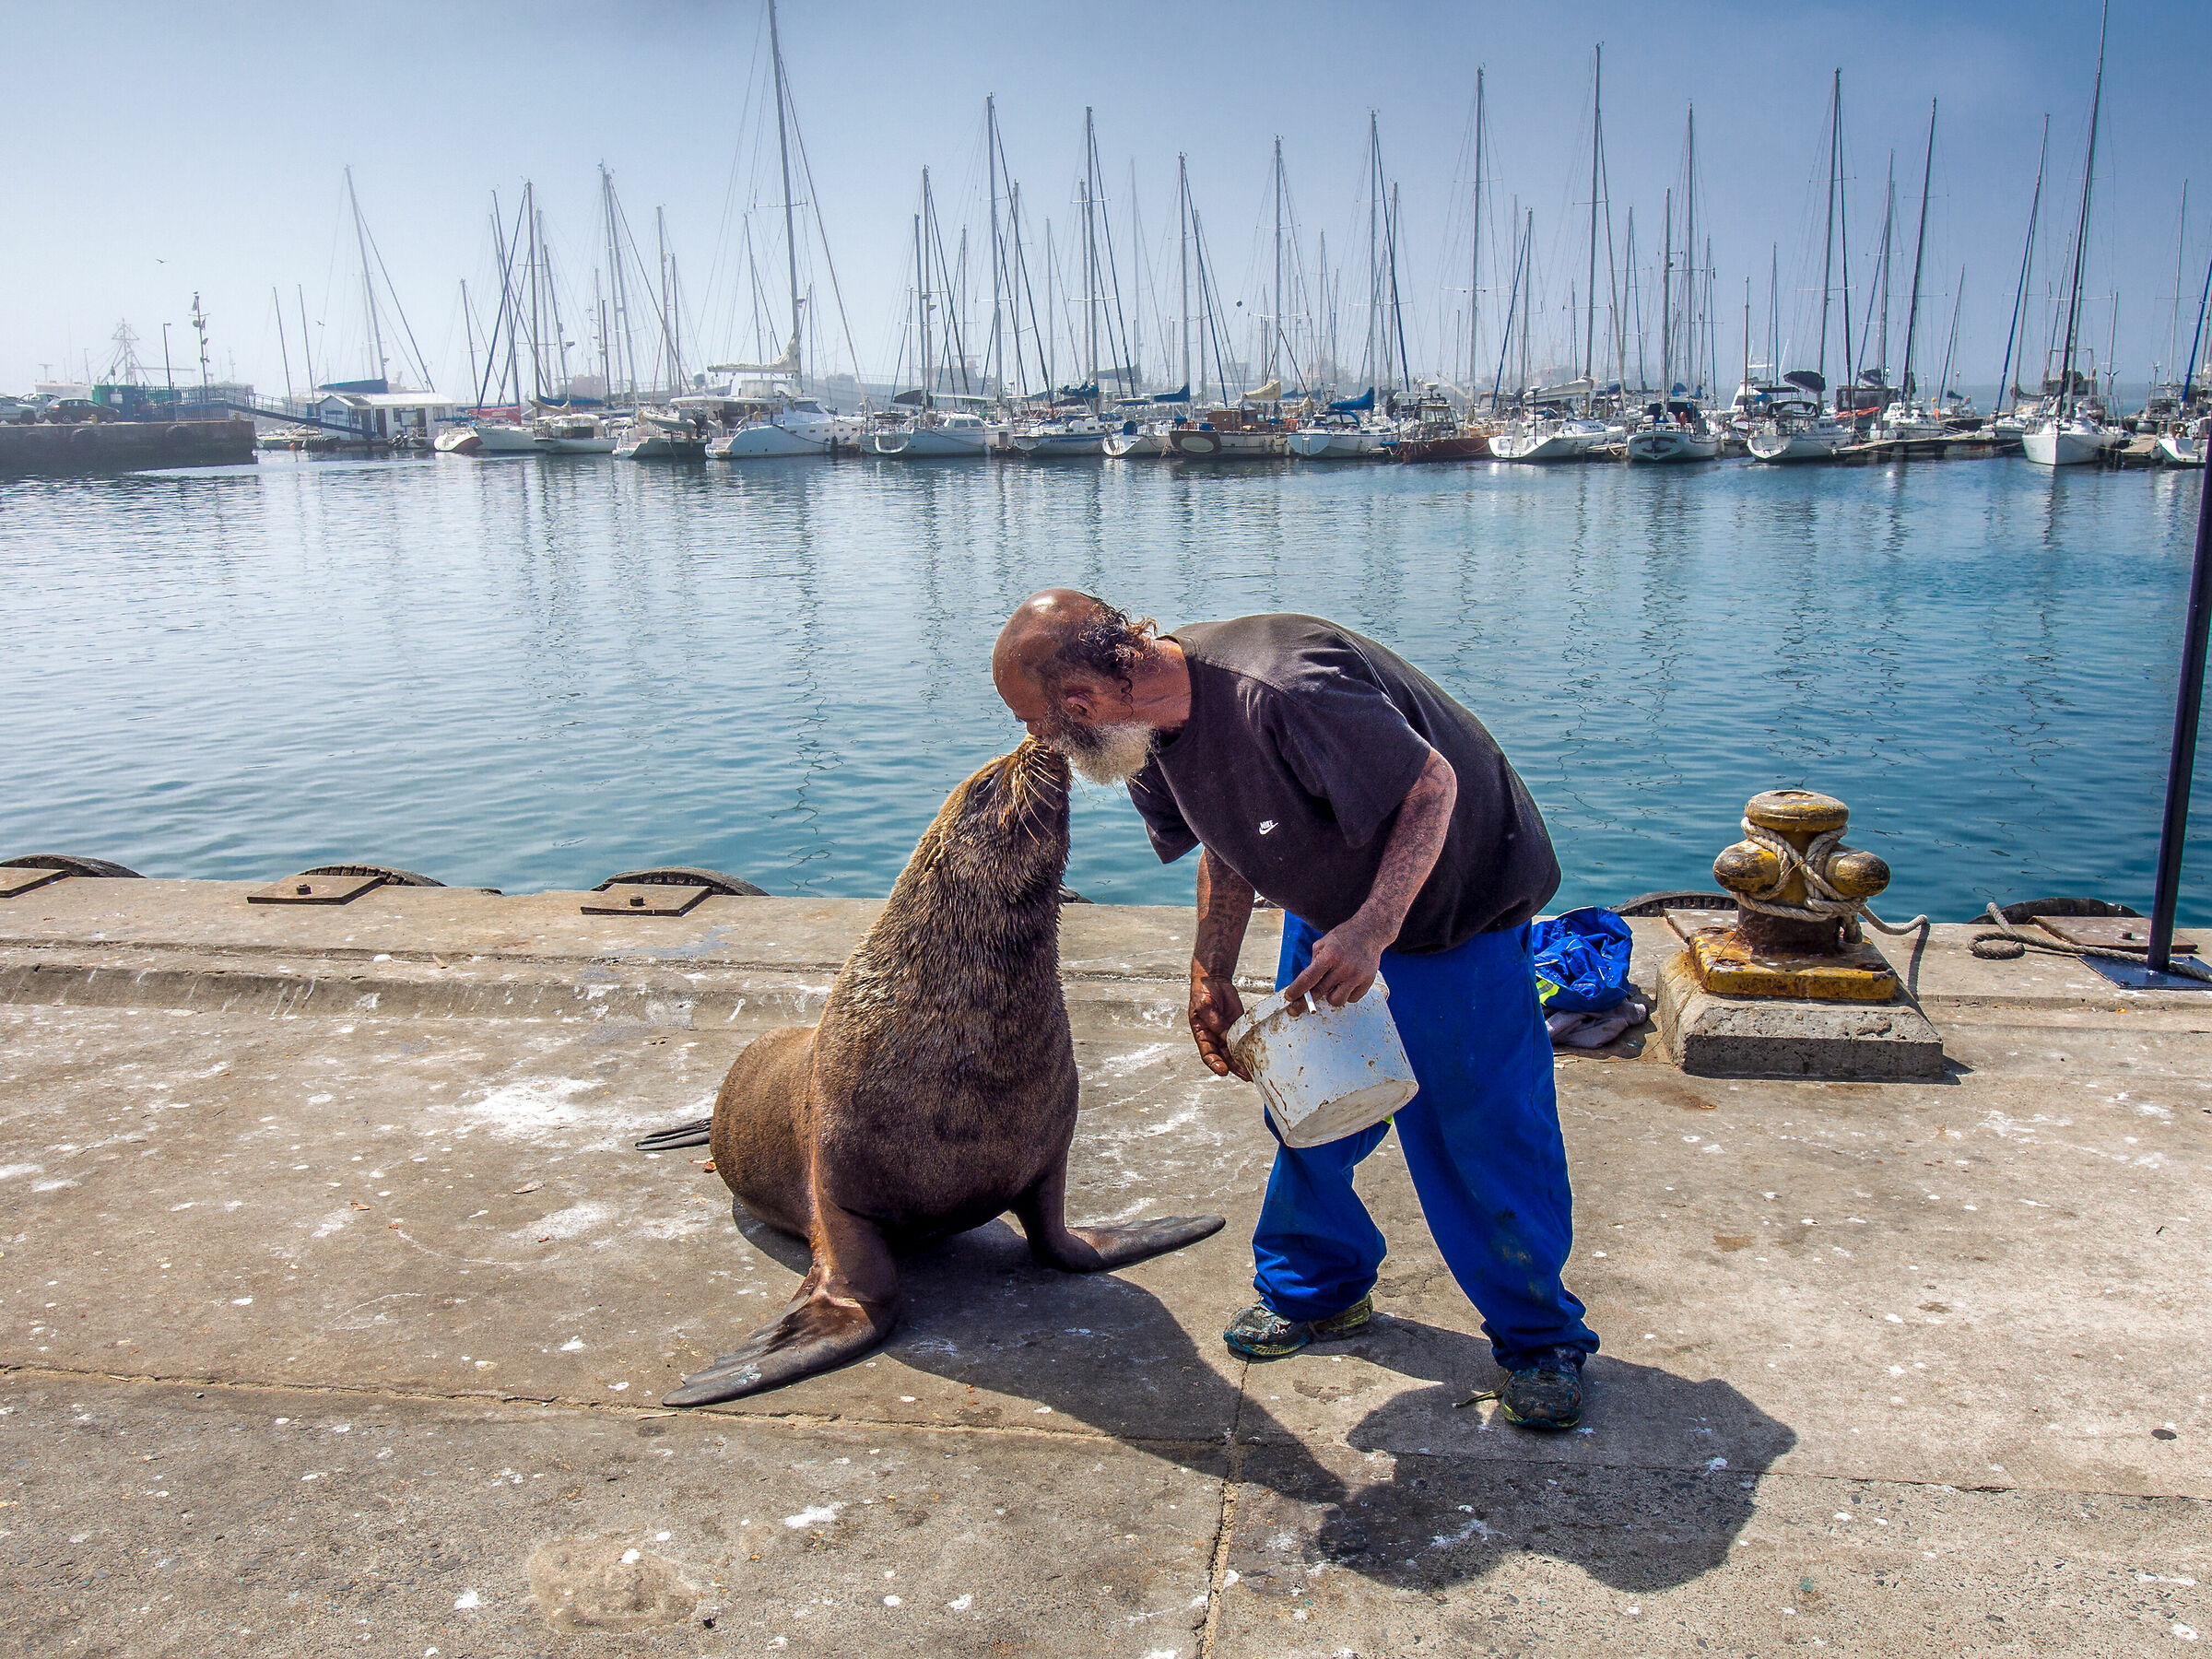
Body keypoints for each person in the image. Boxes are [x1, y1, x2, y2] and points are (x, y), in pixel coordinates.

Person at [991, 590, 1598, 1430]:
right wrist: (1211, 966)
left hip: (1455, 913)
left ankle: (1541, 1342)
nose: (1038, 742)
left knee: (1480, 1136)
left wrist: (1373, 931)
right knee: (1310, 1108)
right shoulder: (1146, 737)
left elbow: (1432, 785)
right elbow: (1228, 838)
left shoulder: (1283, 685)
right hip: (1333, 914)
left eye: (1037, 722)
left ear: (1082, 702)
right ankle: (1317, 1291)